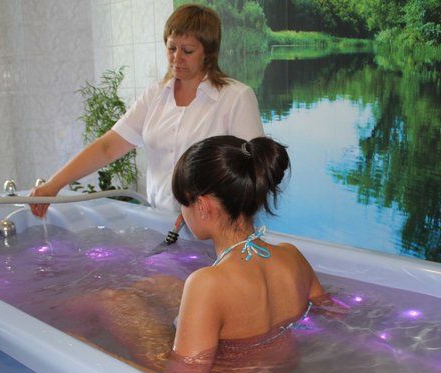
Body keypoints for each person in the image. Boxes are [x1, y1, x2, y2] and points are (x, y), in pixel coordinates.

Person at [61, 136, 336, 373]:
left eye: (183, 202)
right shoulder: (291, 256)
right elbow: (330, 311)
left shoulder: (207, 284)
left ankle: (57, 322)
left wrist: (90, 353)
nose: (182, 212)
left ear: (202, 206)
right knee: (159, 283)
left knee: (111, 300)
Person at [29, 4, 264, 217]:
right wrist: (53, 185)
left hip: (216, 230)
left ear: (208, 53)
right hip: (161, 225)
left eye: (187, 50)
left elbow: (255, 172)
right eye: (171, 48)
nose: (176, 58)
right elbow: (107, 147)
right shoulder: (154, 96)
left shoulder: (236, 98)